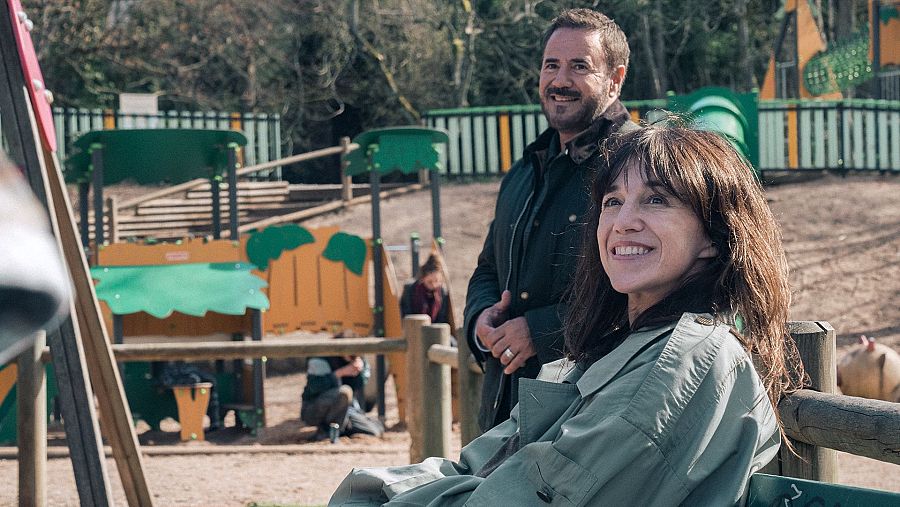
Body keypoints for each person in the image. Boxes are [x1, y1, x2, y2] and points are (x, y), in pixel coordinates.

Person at [329, 123, 805, 505]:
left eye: (656, 199)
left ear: (714, 238)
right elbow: (483, 465)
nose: (622, 221)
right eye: (612, 201)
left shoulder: (681, 364)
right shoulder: (615, 348)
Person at [464, 8, 636, 431]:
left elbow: (651, 291)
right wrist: (481, 321)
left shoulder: (638, 165)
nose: (560, 81)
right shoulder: (524, 171)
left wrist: (540, 332)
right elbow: (489, 268)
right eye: (551, 65)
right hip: (500, 416)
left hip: (588, 421)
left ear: (615, 79)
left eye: (580, 66)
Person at [300, 331, 384, 440]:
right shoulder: (321, 358)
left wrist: (359, 372)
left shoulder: (356, 358)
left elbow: (359, 385)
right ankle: (327, 431)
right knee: (344, 392)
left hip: (346, 411)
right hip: (314, 409)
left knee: (375, 429)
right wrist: (339, 373)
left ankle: (341, 428)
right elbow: (314, 388)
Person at [400, 254, 450, 326]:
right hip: (413, 328)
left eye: (436, 281)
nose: (433, 285)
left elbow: (442, 318)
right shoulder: (410, 289)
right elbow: (406, 313)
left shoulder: (442, 292)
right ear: (423, 278)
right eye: (429, 282)